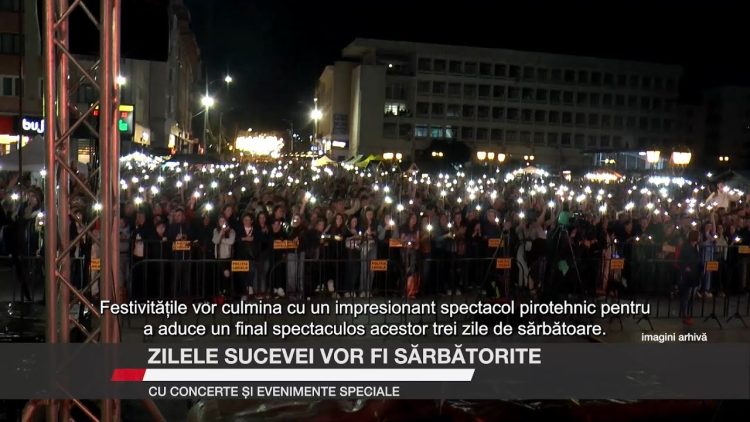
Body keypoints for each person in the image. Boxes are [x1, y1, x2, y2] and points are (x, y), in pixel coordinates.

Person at [679, 231, 702, 325]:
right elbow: (682, 259)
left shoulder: (696, 247)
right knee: (686, 295)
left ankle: (688, 314)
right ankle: (685, 315)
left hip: (695, 272)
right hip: (688, 273)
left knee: (692, 295)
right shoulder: (686, 247)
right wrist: (686, 267)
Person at [212, 216, 236, 295]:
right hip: (219, 256)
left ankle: (227, 292)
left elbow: (231, 241)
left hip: (228, 256)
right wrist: (221, 233)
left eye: (223, 221)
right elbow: (215, 241)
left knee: (227, 274)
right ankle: (222, 292)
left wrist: (221, 240)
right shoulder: (216, 230)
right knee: (222, 275)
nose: (222, 223)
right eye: (220, 221)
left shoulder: (231, 231)